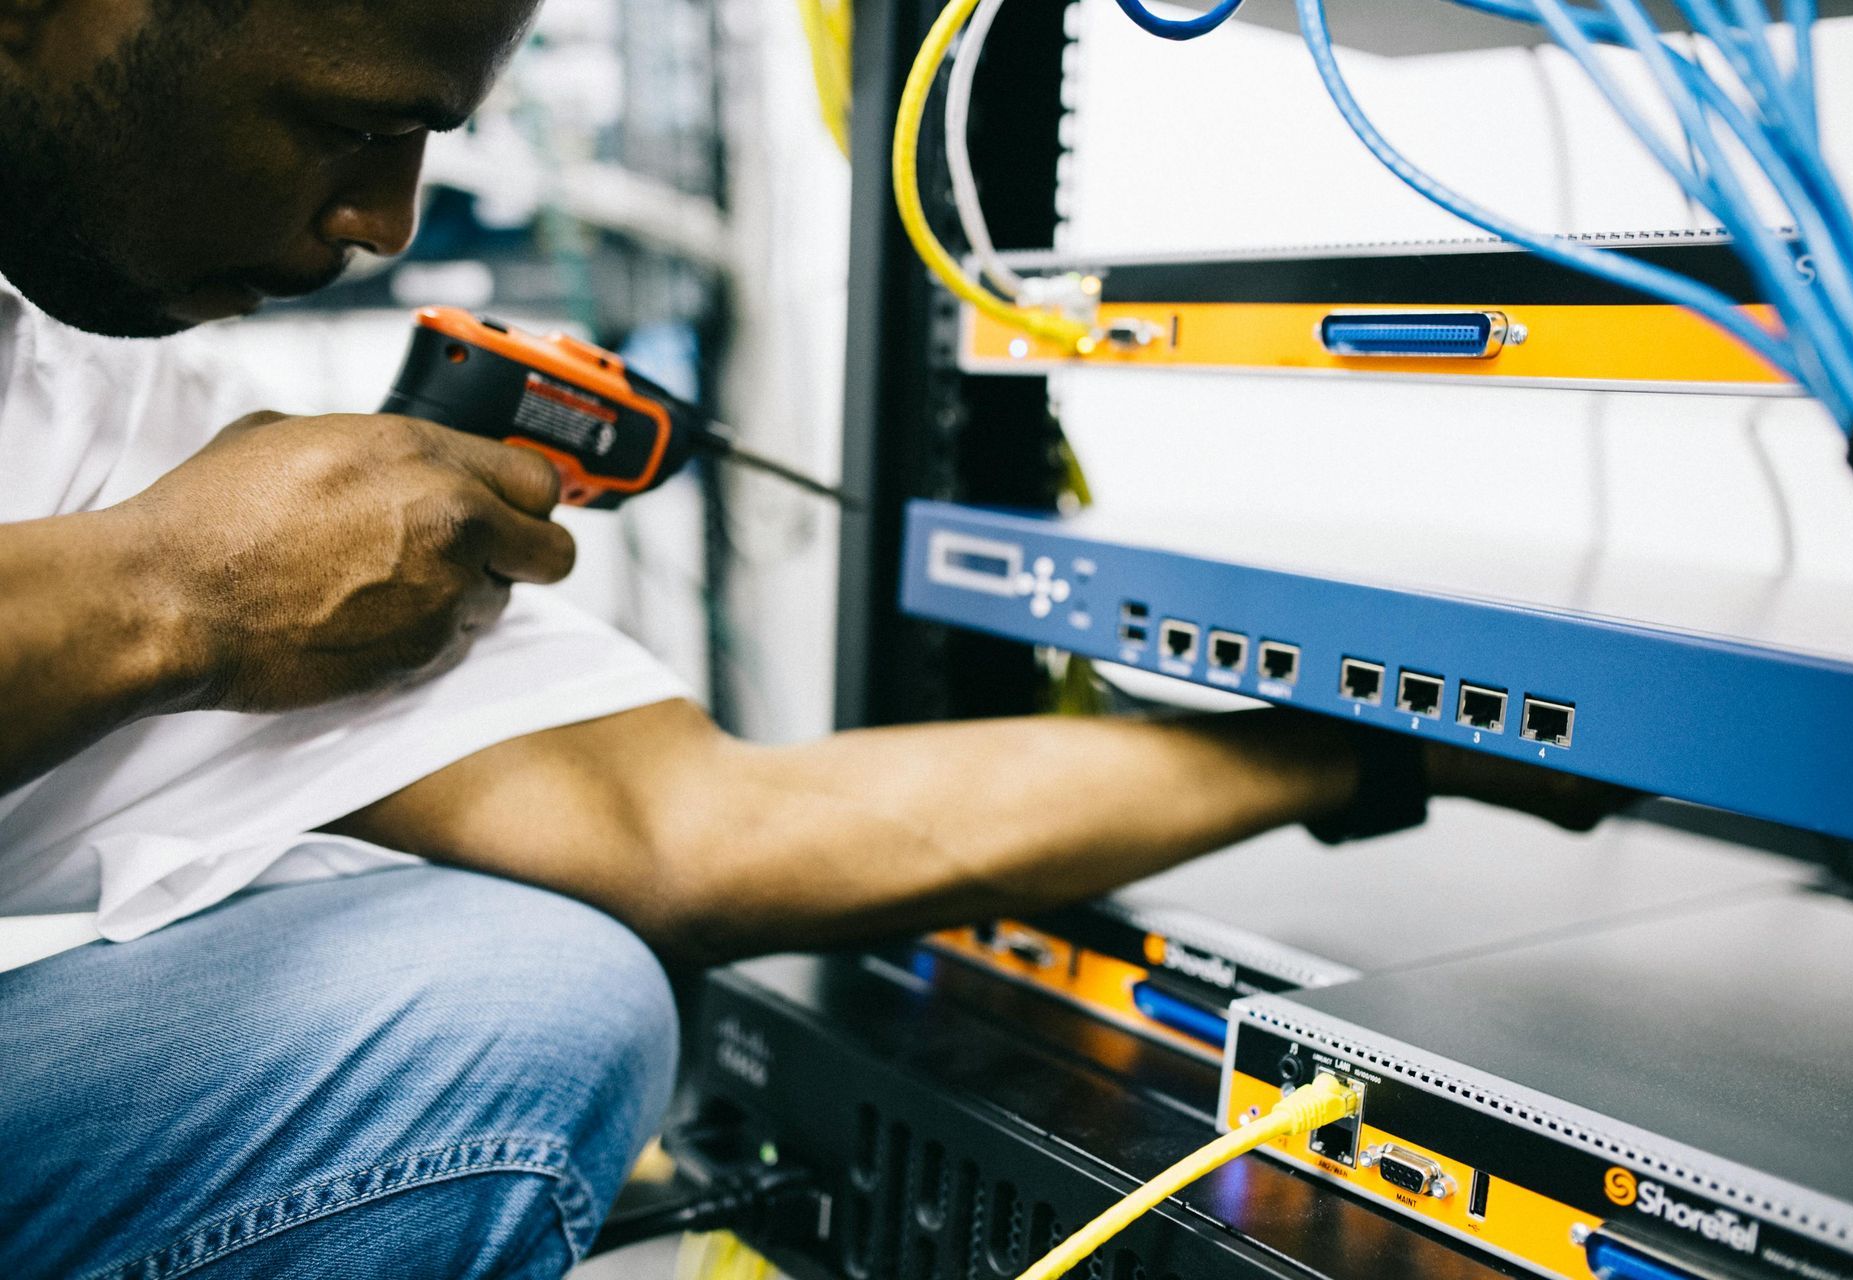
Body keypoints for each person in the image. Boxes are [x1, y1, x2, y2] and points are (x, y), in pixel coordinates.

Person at [0, 1, 1618, 1275]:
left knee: (522, 978)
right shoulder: (179, 524)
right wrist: (173, 594)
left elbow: (686, 827)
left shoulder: (101, 404)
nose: (379, 219)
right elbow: (183, 577)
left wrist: (1370, 738)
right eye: (350, 121)